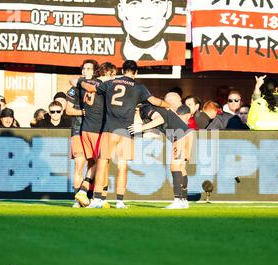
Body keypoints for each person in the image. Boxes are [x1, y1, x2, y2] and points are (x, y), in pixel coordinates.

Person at [80, 60, 171, 209]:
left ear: (122, 70)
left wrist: (81, 82)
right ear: (136, 72)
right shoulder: (140, 87)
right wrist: (170, 105)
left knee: (102, 163)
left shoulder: (110, 83)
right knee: (122, 166)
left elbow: (91, 89)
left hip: (109, 128)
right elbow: (155, 101)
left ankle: (97, 199)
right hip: (126, 131)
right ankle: (120, 201)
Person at [70, 61, 118, 209]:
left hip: (85, 128)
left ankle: (100, 197)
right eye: (113, 74)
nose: (114, 78)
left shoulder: (84, 82)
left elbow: (73, 81)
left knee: (95, 163)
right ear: (107, 73)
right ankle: (84, 191)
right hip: (98, 129)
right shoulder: (105, 86)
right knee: (101, 162)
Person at [130, 103, 194, 209]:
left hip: (180, 134)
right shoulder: (151, 111)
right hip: (187, 133)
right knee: (181, 167)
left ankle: (177, 200)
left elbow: (159, 120)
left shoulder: (145, 108)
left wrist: (141, 127)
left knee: (175, 166)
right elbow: (154, 133)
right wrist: (141, 132)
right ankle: (184, 200)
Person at [65, 59, 99, 208]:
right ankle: (77, 200)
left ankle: (87, 196)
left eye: (89, 69)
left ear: (94, 71)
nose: (85, 71)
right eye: (84, 69)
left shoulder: (99, 87)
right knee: (79, 165)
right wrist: (83, 112)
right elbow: (68, 110)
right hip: (78, 129)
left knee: (95, 163)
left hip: (93, 130)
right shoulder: (75, 88)